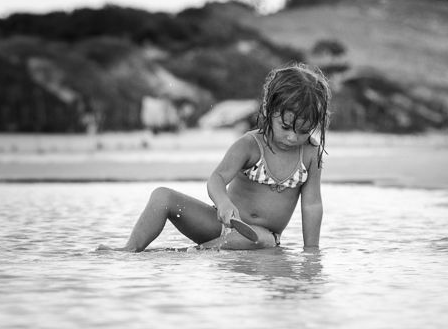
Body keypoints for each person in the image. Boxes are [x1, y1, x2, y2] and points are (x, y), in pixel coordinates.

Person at [117, 62, 330, 251]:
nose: (293, 137)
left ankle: (194, 253)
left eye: (303, 130)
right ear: (268, 110)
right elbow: (217, 178)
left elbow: (312, 205)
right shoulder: (250, 145)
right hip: (220, 224)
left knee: (260, 240)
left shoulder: (309, 154)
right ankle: (130, 249)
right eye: (285, 127)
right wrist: (224, 203)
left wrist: (311, 250)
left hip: (260, 238)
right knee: (162, 196)